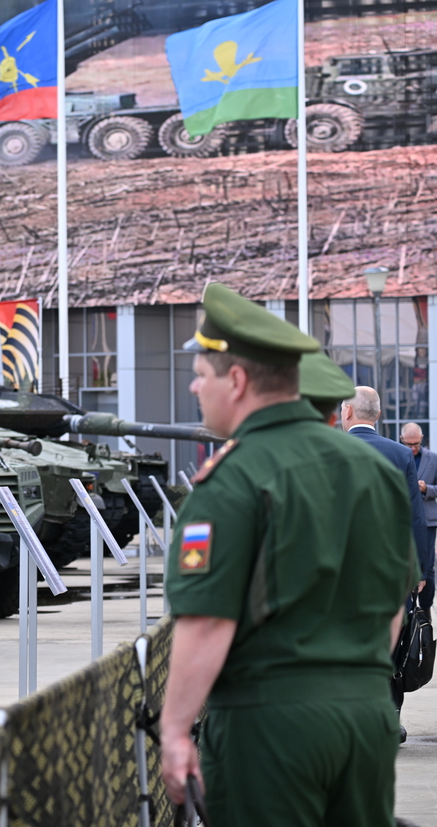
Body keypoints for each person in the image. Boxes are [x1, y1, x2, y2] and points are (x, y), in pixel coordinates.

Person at [160, 283, 417, 826]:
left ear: (236, 380)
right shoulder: (375, 471)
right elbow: (394, 605)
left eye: (202, 376)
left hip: (269, 727)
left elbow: (206, 623)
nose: (193, 386)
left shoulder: (232, 480)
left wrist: (176, 730)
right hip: (367, 720)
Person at [342, 390, 431, 601]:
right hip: (391, 565)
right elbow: (415, 515)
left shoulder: (328, 450)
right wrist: (419, 569)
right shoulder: (402, 454)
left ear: (348, 411)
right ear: (379, 414)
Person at [401, 421, 437, 613]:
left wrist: (426, 489)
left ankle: (425, 609)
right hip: (404, 520)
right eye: (409, 444)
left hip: (428, 521)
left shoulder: (433, 458)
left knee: (428, 568)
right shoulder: (398, 455)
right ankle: (407, 608)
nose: (413, 448)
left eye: (416, 444)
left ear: (422, 439)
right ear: (401, 440)